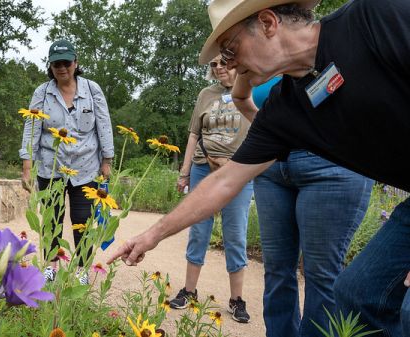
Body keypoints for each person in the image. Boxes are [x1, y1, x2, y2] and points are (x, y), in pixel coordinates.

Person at [107, 0, 410, 335]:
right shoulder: (284, 109)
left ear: (267, 23)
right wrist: (151, 235)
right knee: (359, 295)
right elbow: (225, 181)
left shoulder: (376, 16)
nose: (230, 64)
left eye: (231, 49)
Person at [236, 77, 373, 337]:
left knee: (321, 275)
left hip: (331, 165)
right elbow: (241, 98)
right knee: (276, 271)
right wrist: (273, 134)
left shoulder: (335, 43)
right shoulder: (265, 60)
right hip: (271, 166)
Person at [20, 39, 114, 284]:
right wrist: (27, 168)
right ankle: (50, 267)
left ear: (76, 62)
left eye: (66, 62)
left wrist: (107, 161)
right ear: (50, 66)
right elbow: (31, 129)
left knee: (82, 221)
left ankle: (82, 270)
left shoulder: (92, 90)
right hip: (52, 168)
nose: (62, 68)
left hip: (86, 168)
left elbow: (104, 125)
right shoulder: (42, 93)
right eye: (56, 64)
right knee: (52, 219)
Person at [170, 56, 253, 323]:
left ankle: (236, 300)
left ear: (236, 63)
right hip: (203, 170)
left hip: (237, 171)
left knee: (235, 234)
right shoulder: (206, 94)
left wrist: (237, 163)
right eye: (213, 64)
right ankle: (189, 291)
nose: (218, 67)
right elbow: (194, 134)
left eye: (224, 62)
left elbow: (261, 131)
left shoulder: (251, 88)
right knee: (199, 230)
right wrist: (184, 173)